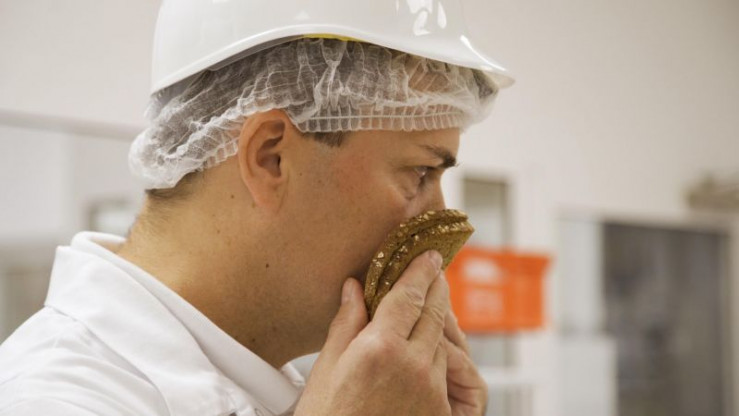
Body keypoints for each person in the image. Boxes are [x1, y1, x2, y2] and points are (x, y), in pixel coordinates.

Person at [0, 1, 513, 415]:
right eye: (421, 172)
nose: (440, 224)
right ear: (270, 157)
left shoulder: (275, 388)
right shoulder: (55, 401)